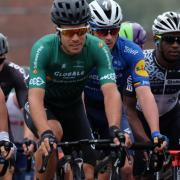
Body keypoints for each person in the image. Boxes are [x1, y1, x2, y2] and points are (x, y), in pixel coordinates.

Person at [23, 0, 131, 179]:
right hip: (44, 106)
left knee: (90, 168)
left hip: (73, 107)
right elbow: (35, 96)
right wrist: (44, 133)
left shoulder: (97, 47)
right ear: (58, 32)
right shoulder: (44, 48)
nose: (76, 38)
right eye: (69, 33)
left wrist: (114, 128)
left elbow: (111, 91)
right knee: (53, 133)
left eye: (81, 31)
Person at [84, 0, 168, 179]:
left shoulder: (131, 51)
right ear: (90, 30)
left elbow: (144, 93)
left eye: (113, 31)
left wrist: (155, 132)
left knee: (126, 167)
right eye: (101, 31)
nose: (108, 37)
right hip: (85, 109)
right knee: (89, 168)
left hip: (114, 110)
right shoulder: (81, 50)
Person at [123, 11, 180, 179]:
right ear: (157, 40)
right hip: (141, 119)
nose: (176, 45)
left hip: (173, 115)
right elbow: (129, 109)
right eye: (169, 40)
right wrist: (146, 141)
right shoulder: (142, 62)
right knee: (142, 170)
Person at [0, 33, 35, 179]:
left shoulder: (14, 72)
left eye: (0, 60)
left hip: (1, 116)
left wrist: (28, 137)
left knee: (6, 160)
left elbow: (28, 107)